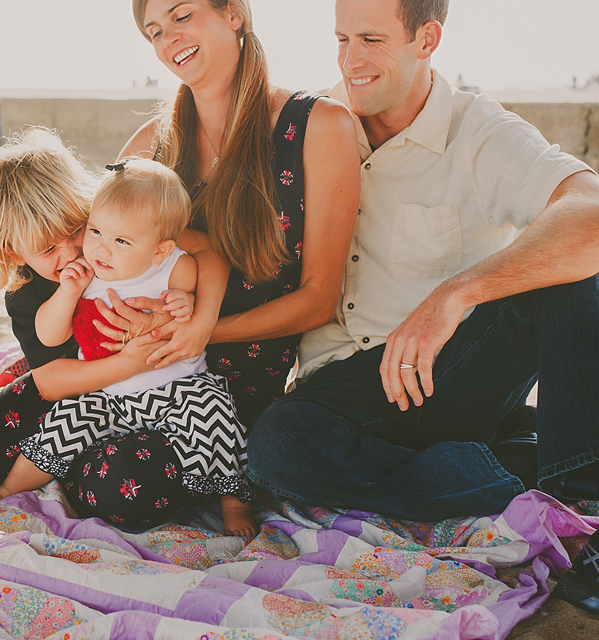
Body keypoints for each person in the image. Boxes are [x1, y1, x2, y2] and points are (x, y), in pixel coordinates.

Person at [248, 0, 599, 523]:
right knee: (276, 448)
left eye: (371, 40)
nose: (350, 60)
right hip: (339, 395)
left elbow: (590, 209)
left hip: (448, 374)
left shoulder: (478, 131)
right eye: (343, 39)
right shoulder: (314, 124)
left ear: (427, 40)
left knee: (574, 272)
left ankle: (579, 495)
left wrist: (453, 295)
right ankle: (516, 471)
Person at [97, 0, 360, 430]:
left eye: (182, 16)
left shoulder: (320, 125)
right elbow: (99, 252)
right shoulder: (152, 145)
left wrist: (199, 330)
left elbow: (319, 300)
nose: (168, 39)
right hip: (133, 382)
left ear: (233, 14)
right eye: (155, 31)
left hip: (237, 406)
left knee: (117, 475)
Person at [0, 158, 257, 536]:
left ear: (159, 250)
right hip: (107, 394)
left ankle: (235, 502)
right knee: (61, 423)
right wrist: (68, 293)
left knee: (214, 415)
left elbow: (193, 287)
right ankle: (6, 490)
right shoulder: (87, 272)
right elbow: (49, 336)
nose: (99, 247)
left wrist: (190, 306)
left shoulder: (171, 265)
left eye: (118, 240)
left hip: (176, 387)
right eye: (96, 231)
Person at [0, 128, 168, 505]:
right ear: (14, 253)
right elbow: (50, 383)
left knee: (123, 493)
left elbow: (189, 249)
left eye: (76, 230)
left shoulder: (117, 245)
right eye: (48, 249)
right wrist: (128, 363)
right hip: (63, 396)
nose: (69, 254)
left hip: (132, 404)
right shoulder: (26, 292)